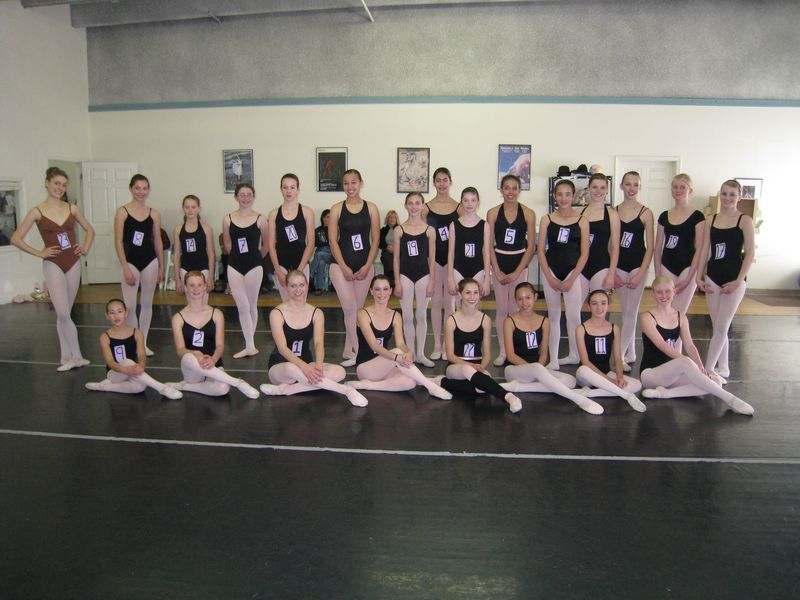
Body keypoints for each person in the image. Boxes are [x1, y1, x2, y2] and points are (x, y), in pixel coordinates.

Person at [11, 167, 95, 371]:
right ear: (46, 183)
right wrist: (40, 253)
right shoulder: (37, 211)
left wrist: (84, 248)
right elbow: (15, 238)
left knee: (65, 313)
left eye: (64, 185)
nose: (60, 188)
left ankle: (65, 356)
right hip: (53, 263)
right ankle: (77, 356)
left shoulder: (71, 208)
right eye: (56, 183)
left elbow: (90, 229)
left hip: (73, 261)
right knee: (63, 313)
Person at [638, 276, 753, 415]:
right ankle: (729, 399)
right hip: (650, 374)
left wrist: (700, 367)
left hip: (672, 375)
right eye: (659, 292)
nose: (664, 295)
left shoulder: (681, 317)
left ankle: (665, 394)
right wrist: (688, 363)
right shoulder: (647, 317)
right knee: (685, 361)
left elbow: (690, 345)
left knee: (715, 381)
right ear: (653, 293)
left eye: (667, 291)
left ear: (674, 291)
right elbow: (661, 345)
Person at [259, 270, 369, 407]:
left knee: (339, 372)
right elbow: (282, 348)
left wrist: (318, 365)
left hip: (307, 363)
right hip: (281, 367)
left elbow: (318, 343)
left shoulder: (316, 313)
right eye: (293, 286)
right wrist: (304, 368)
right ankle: (346, 390)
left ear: (307, 286)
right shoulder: (277, 313)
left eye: (301, 285)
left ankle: (285, 390)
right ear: (286, 287)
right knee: (290, 368)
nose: (298, 290)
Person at [502, 283, 604, 415]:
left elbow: (544, 353)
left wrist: (538, 370)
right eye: (520, 299)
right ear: (515, 300)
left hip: (537, 369)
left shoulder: (544, 321)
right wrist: (533, 370)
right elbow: (510, 355)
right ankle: (578, 399)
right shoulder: (509, 321)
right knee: (538, 369)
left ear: (535, 297)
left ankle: (518, 387)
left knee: (570, 381)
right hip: (514, 370)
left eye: (528, 297)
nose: (524, 302)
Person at [349, 274, 452, 398]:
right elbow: (374, 346)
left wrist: (408, 352)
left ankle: (368, 385)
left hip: (385, 364)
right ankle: (430, 386)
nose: (381, 293)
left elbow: (401, 344)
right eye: (377, 289)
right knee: (398, 353)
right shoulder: (362, 314)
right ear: (371, 291)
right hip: (365, 368)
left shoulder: (395, 316)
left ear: (390, 291)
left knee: (409, 382)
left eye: (385, 289)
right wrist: (397, 357)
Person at [166, 271, 259, 398]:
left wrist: (213, 359)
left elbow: (220, 345)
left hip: (213, 363)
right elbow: (180, 350)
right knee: (188, 357)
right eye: (192, 285)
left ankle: (184, 386)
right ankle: (238, 383)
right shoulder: (178, 318)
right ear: (186, 287)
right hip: (192, 368)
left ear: (205, 286)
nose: (196, 289)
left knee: (222, 388)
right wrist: (195, 353)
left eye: (199, 285)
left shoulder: (216, 314)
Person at [696, 180, 755, 380]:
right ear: (719, 194)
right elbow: (705, 250)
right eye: (724, 194)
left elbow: (749, 254)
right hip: (713, 277)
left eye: (732, 194)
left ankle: (708, 370)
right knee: (718, 326)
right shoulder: (711, 220)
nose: (727, 198)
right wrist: (699, 276)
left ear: (739, 197)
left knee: (722, 326)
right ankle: (724, 367)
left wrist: (739, 281)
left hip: (734, 279)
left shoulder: (745, 221)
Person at [441, 278, 523, 413]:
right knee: (470, 372)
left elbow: (487, 354)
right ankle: (508, 397)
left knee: (484, 385)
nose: (472, 297)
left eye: (475, 292)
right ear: (460, 295)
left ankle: (442, 382)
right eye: (468, 293)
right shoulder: (451, 320)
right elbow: (450, 355)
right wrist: (471, 366)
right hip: (456, 367)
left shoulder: (485, 320)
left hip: (477, 366)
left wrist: (482, 366)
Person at [327, 169, 380, 367]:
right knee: (349, 307)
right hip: (340, 265)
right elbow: (332, 240)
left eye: (353, 182)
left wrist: (368, 265)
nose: (350, 187)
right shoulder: (336, 209)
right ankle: (359, 351)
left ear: (361, 183)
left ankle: (348, 349)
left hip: (364, 266)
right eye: (346, 183)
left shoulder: (371, 208)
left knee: (357, 310)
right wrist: (343, 266)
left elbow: (375, 239)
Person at [537, 179, 589, 369]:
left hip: (572, 273)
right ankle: (553, 359)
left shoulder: (582, 221)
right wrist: (549, 277)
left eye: (568, 194)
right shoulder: (547, 219)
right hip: (551, 270)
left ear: (573, 196)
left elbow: (584, 253)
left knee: (574, 316)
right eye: (560, 194)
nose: (564, 198)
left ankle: (575, 355)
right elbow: (540, 250)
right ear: (554, 196)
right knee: (553, 315)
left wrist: (573, 278)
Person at [85, 298, 182, 399]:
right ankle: (162, 388)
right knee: (127, 361)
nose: (116, 316)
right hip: (115, 373)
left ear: (126, 313)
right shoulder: (105, 337)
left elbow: (141, 354)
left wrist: (141, 365)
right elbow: (110, 361)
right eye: (112, 313)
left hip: (132, 371)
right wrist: (124, 369)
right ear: (107, 316)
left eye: (120, 311)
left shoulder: (137, 333)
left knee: (140, 387)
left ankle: (103, 387)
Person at [487, 174, 537, 366]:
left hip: (519, 262)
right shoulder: (493, 213)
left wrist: (517, 271)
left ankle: (514, 350)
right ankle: (502, 351)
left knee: (517, 308)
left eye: (514, 188)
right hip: (499, 262)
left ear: (519, 190)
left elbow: (531, 246)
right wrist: (496, 270)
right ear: (501, 190)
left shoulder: (528, 213)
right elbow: (488, 244)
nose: (510, 192)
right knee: (502, 309)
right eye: (506, 188)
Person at [114, 174, 164, 356]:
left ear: (148, 190)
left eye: (144, 188)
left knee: (147, 303)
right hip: (130, 262)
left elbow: (157, 241)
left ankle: (142, 342)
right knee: (129, 306)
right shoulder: (122, 212)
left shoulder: (154, 213)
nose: (141, 192)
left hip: (150, 261)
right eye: (137, 188)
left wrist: (161, 267)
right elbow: (118, 241)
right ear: (131, 189)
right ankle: (134, 341)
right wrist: (125, 267)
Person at [575, 290, 645, 412]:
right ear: (589, 306)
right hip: (587, 377)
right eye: (595, 303)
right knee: (583, 369)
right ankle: (626, 395)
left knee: (637, 384)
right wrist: (610, 381)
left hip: (606, 373)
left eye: (603, 303)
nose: (599, 308)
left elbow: (617, 359)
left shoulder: (614, 328)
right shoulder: (581, 329)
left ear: (609, 306)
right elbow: (585, 362)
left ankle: (589, 393)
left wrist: (619, 377)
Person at [222, 183, 269, 358]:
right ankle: (250, 345)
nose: (245, 198)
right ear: (236, 197)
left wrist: (256, 258)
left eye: (249, 194)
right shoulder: (228, 219)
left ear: (253, 197)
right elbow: (227, 244)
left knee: (251, 304)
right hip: (234, 265)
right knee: (242, 306)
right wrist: (237, 256)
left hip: (254, 265)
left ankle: (250, 344)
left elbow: (266, 245)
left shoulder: (261, 219)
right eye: (242, 194)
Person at [613, 171, 654, 371]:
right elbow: (610, 245)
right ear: (621, 186)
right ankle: (631, 352)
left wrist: (641, 274)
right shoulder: (613, 212)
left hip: (638, 264)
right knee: (626, 310)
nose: (631, 188)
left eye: (635, 184)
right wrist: (612, 271)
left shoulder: (646, 212)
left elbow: (651, 246)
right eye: (628, 184)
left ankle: (620, 356)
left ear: (640, 187)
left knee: (631, 310)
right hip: (619, 265)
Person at [393, 192, 436, 366]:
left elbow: (431, 258)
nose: (414, 207)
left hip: (423, 275)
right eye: (410, 203)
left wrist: (432, 280)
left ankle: (421, 354)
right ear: (405, 206)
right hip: (405, 275)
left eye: (417, 203)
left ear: (423, 205)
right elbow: (396, 258)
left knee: (421, 314)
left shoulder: (429, 231)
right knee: (408, 316)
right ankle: (410, 353)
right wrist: (397, 281)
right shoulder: (399, 230)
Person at [423, 167, 461, 360]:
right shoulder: (426, 208)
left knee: (450, 303)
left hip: (452, 261)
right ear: (434, 183)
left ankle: (448, 345)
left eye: (445, 180)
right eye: (438, 180)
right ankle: (437, 344)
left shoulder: (459, 207)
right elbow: (419, 232)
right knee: (436, 303)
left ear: (450, 182)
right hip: (434, 260)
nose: (442, 183)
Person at [654, 173, 705, 315]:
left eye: (682, 187)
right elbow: (657, 248)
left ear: (690, 190)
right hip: (667, 265)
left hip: (688, 267)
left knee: (679, 312)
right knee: (665, 310)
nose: (678, 190)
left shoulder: (698, 216)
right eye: (675, 187)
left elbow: (700, 249)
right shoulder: (664, 216)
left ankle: (679, 331)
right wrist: (658, 276)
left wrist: (689, 279)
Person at [268, 173, 316, 302]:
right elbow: (271, 245)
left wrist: (299, 270)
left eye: (292, 187)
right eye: (285, 187)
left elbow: (311, 243)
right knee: (287, 303)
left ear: (298, 190)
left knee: (300, 302)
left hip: (302, 264)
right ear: (281, 189)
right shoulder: (273, 214)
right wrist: (278, 271)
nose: (288, 191)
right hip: (281, 266)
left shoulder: (307, 212)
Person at [578, 173, 620, 299]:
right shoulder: (578, 213)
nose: (598, 191)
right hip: (580, 266)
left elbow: (615, 247)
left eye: (602, 187)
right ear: (588, 188)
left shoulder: (612, 215)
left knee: (599, 306)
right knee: (575, 307)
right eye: (595, 187)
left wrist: (611, 274)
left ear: (607, 190)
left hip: (601, 266)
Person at [447, 186, 491, 304]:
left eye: (473, 200)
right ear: (461, 202)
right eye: (466, 200)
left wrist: (487, 278)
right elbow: (451, 253)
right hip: (458, 269)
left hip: (477, 269)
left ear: (478, 202)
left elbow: (486, 253)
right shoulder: (454, 225)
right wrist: (450, 277)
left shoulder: (485, 225)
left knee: (475, 305)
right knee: (459, 305)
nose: (469, 204)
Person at [172, 194, 215, 302]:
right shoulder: (178, 229)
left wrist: (210, 277)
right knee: (191, 303)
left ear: (199, 209)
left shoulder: (206, 228)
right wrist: (177, 279)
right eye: (187, 207)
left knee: (203, 303)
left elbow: (211, 254)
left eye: (193, 207)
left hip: (203, 268)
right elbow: (176, 255)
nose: (190, 210)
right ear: (183, 209)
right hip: (185, 269)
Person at [310, 209, 332, 294]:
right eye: (326, 217)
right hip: (319, 252)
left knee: (319, 254)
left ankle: (309, 276)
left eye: (329, 217)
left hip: (330, 254)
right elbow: (313, 244)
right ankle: (319, 288)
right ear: (322, 218)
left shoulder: (334, 229)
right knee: (321, 262)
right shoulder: (317, 230)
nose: (327, 219)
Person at [379, 210, 399, 285]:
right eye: (390, 217)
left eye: (394, 217)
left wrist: (395, 248)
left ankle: (392, 280)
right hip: (386, 253)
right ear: (387, 219)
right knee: (387, 257)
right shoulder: (383, 230)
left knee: (397, 258)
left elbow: (404, 243)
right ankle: (389, 281)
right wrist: (386, 246)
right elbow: (379, 243)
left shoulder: (400, 229)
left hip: (398, 253)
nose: (392, 219)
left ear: (396, 219)